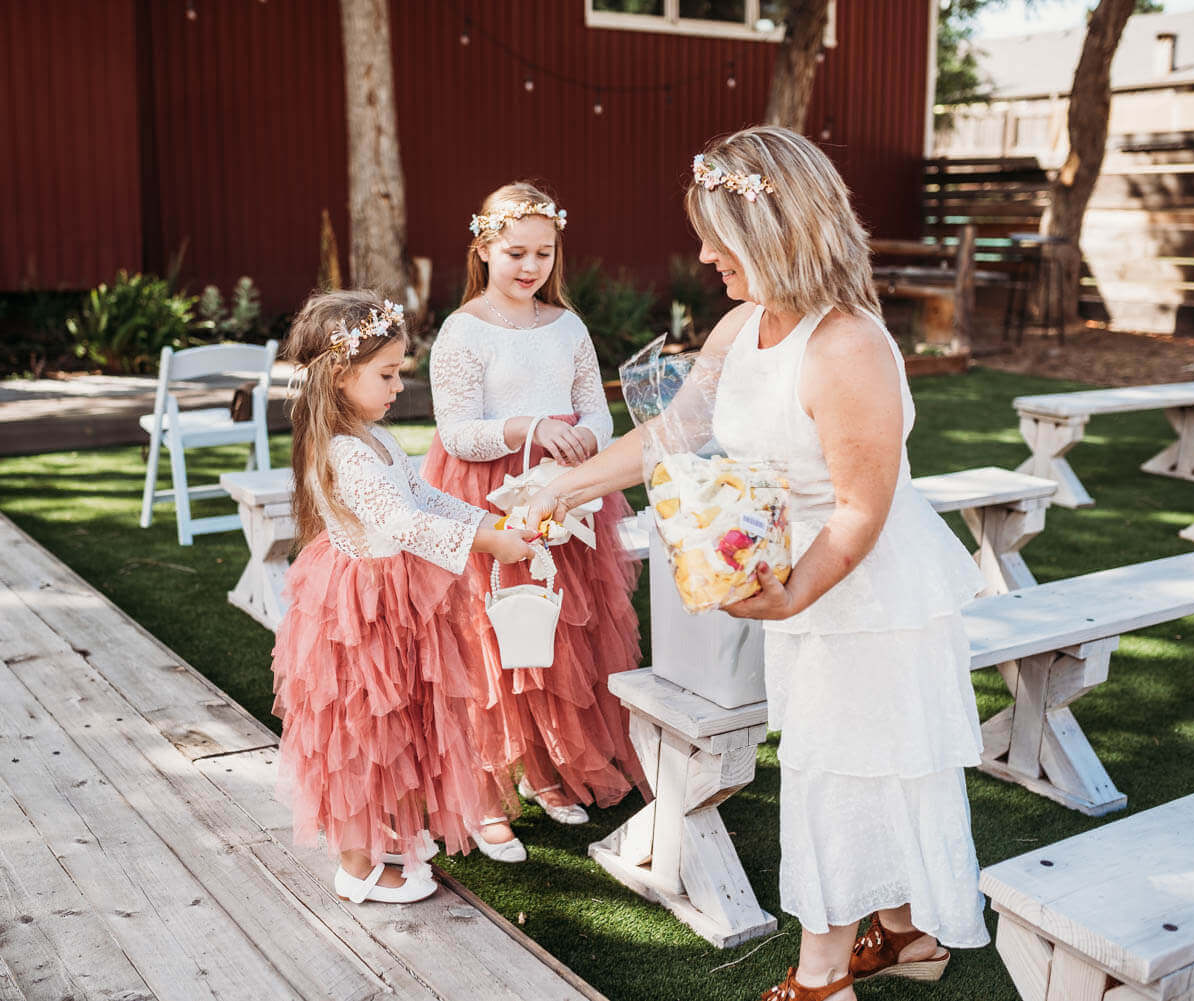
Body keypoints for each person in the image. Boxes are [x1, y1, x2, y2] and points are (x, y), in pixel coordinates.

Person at [527, 128, 989, 1000]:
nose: (703, 255)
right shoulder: (745, 325)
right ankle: (908, 935)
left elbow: (860, 509)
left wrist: (791, 598)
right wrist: (567, 483)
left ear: (779, 231)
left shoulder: (847, 347)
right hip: (802, 580)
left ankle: (821, 979)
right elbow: (675, 432)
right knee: (860, 761)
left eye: (718, 235)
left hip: (865, 592)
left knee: (837, 769)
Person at [270, 289, 540, 904]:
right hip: (361, 611)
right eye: (387, 374)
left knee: (400, 724)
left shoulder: (374, 437)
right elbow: (402, 524)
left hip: (397, 601)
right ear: (340, 375)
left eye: (399, 374)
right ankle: (355, 863)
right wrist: (486, 544)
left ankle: (385, 835)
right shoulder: (344, 451)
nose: (397, 388)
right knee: (361, 727)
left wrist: (486, 522)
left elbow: (425, 498)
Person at [420, 181, 645, 862]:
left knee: (562, 632)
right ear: (483, 246)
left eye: (543, 254)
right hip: (490, 497)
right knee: (493, 636)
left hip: (566, 492)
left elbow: (596, 407)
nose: (530, 267)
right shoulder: (464, 331)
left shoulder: (567, 325)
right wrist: (531, 427)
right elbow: (457, 432)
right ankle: (487, 792)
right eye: (515, 252)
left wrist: (588, 438)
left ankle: (550, 769)